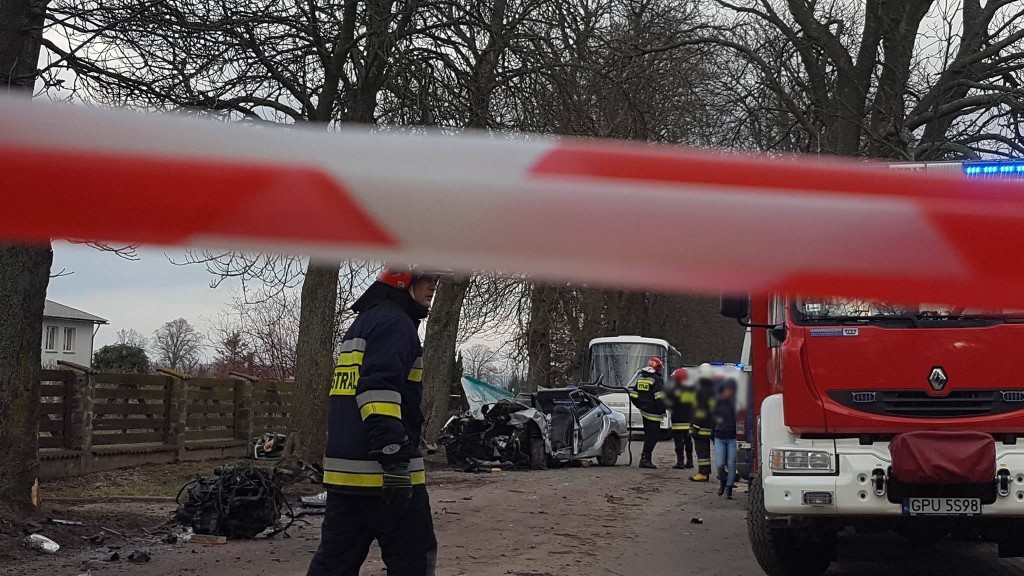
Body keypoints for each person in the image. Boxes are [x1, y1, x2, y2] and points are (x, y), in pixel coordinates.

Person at [307, 264, 448, 576]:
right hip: (384, 476)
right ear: (403, 279)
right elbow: (378, 390)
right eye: (427, 278)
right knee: (413, 562)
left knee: (334, 565)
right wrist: (394, 458)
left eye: (436, 279)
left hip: (346, 477)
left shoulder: (364, 322)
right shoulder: (396, 324)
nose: (433, 286)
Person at [628, 356, 666, 469]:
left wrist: (640, 406)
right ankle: (645, 459)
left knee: (649, 435)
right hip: (654, 413)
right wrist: (662, 410)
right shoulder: (656, 379)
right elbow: (659, 397)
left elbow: (633, 395)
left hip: (644, 412)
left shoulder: (641, 378)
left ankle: (645, 459)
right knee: (653, 436)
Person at [689, 363, 717, 482]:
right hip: (713, 425)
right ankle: (727, 472)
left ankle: (703, 473)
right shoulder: (714, 388)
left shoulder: (701, 390)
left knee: (702, 451)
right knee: (721, 450)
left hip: (702, 427)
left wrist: (695, 426)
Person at [713, 377, 739, 499]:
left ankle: (729, 488)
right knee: (720, 464)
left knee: (731, 464)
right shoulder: (718, 402)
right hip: (719, 436)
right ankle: (723, 481)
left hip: (732, 437)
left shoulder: (736, 403)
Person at [665, 367, 696, 470]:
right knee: (688, 441)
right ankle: (690, 462)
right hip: (689, 420)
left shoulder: (673, 389)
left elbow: (668, 403)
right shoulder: (692, 389)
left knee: (679, 442)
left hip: (677, 420)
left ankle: (680, 462)